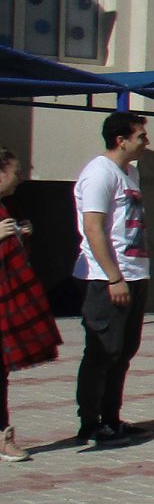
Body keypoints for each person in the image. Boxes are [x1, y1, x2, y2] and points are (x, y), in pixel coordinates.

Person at [73, 112, 152, 448]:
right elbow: (93, 228)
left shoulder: (130, 172)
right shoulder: (99, 173)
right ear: (121, 140)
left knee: (124, 350)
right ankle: (90, 424)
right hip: (105, 278)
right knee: (103, 350)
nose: (146, 142)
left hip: (135, 274)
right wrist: (113, 277)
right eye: (140, 136)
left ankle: (111, 419)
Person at [0, 147, 58, 461]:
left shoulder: (7, 207)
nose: (20, 178)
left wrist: (22, 236)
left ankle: (2, 434)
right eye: (16, 171)